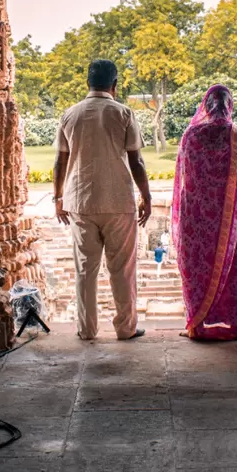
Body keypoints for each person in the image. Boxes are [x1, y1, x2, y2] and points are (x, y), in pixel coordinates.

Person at [53, 59, 152, 341]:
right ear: (115, 85)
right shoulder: (123, 113)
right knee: (121, 270)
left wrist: (58, 197)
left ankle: (87, 329)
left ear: (88, 83)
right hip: (118, 201)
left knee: (86, 270)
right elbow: (137, 161)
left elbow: (60, 163)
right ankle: (125, 327)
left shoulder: (70, 115)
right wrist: (146, 196)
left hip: (81, 201)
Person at [172, 84, 237, 340]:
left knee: (199, 265)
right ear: (229, 106)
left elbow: (186, 174)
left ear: (206, 107)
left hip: (198, 216)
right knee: (236, 266)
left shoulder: (191, 135)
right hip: (233, 215)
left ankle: (198, 323)